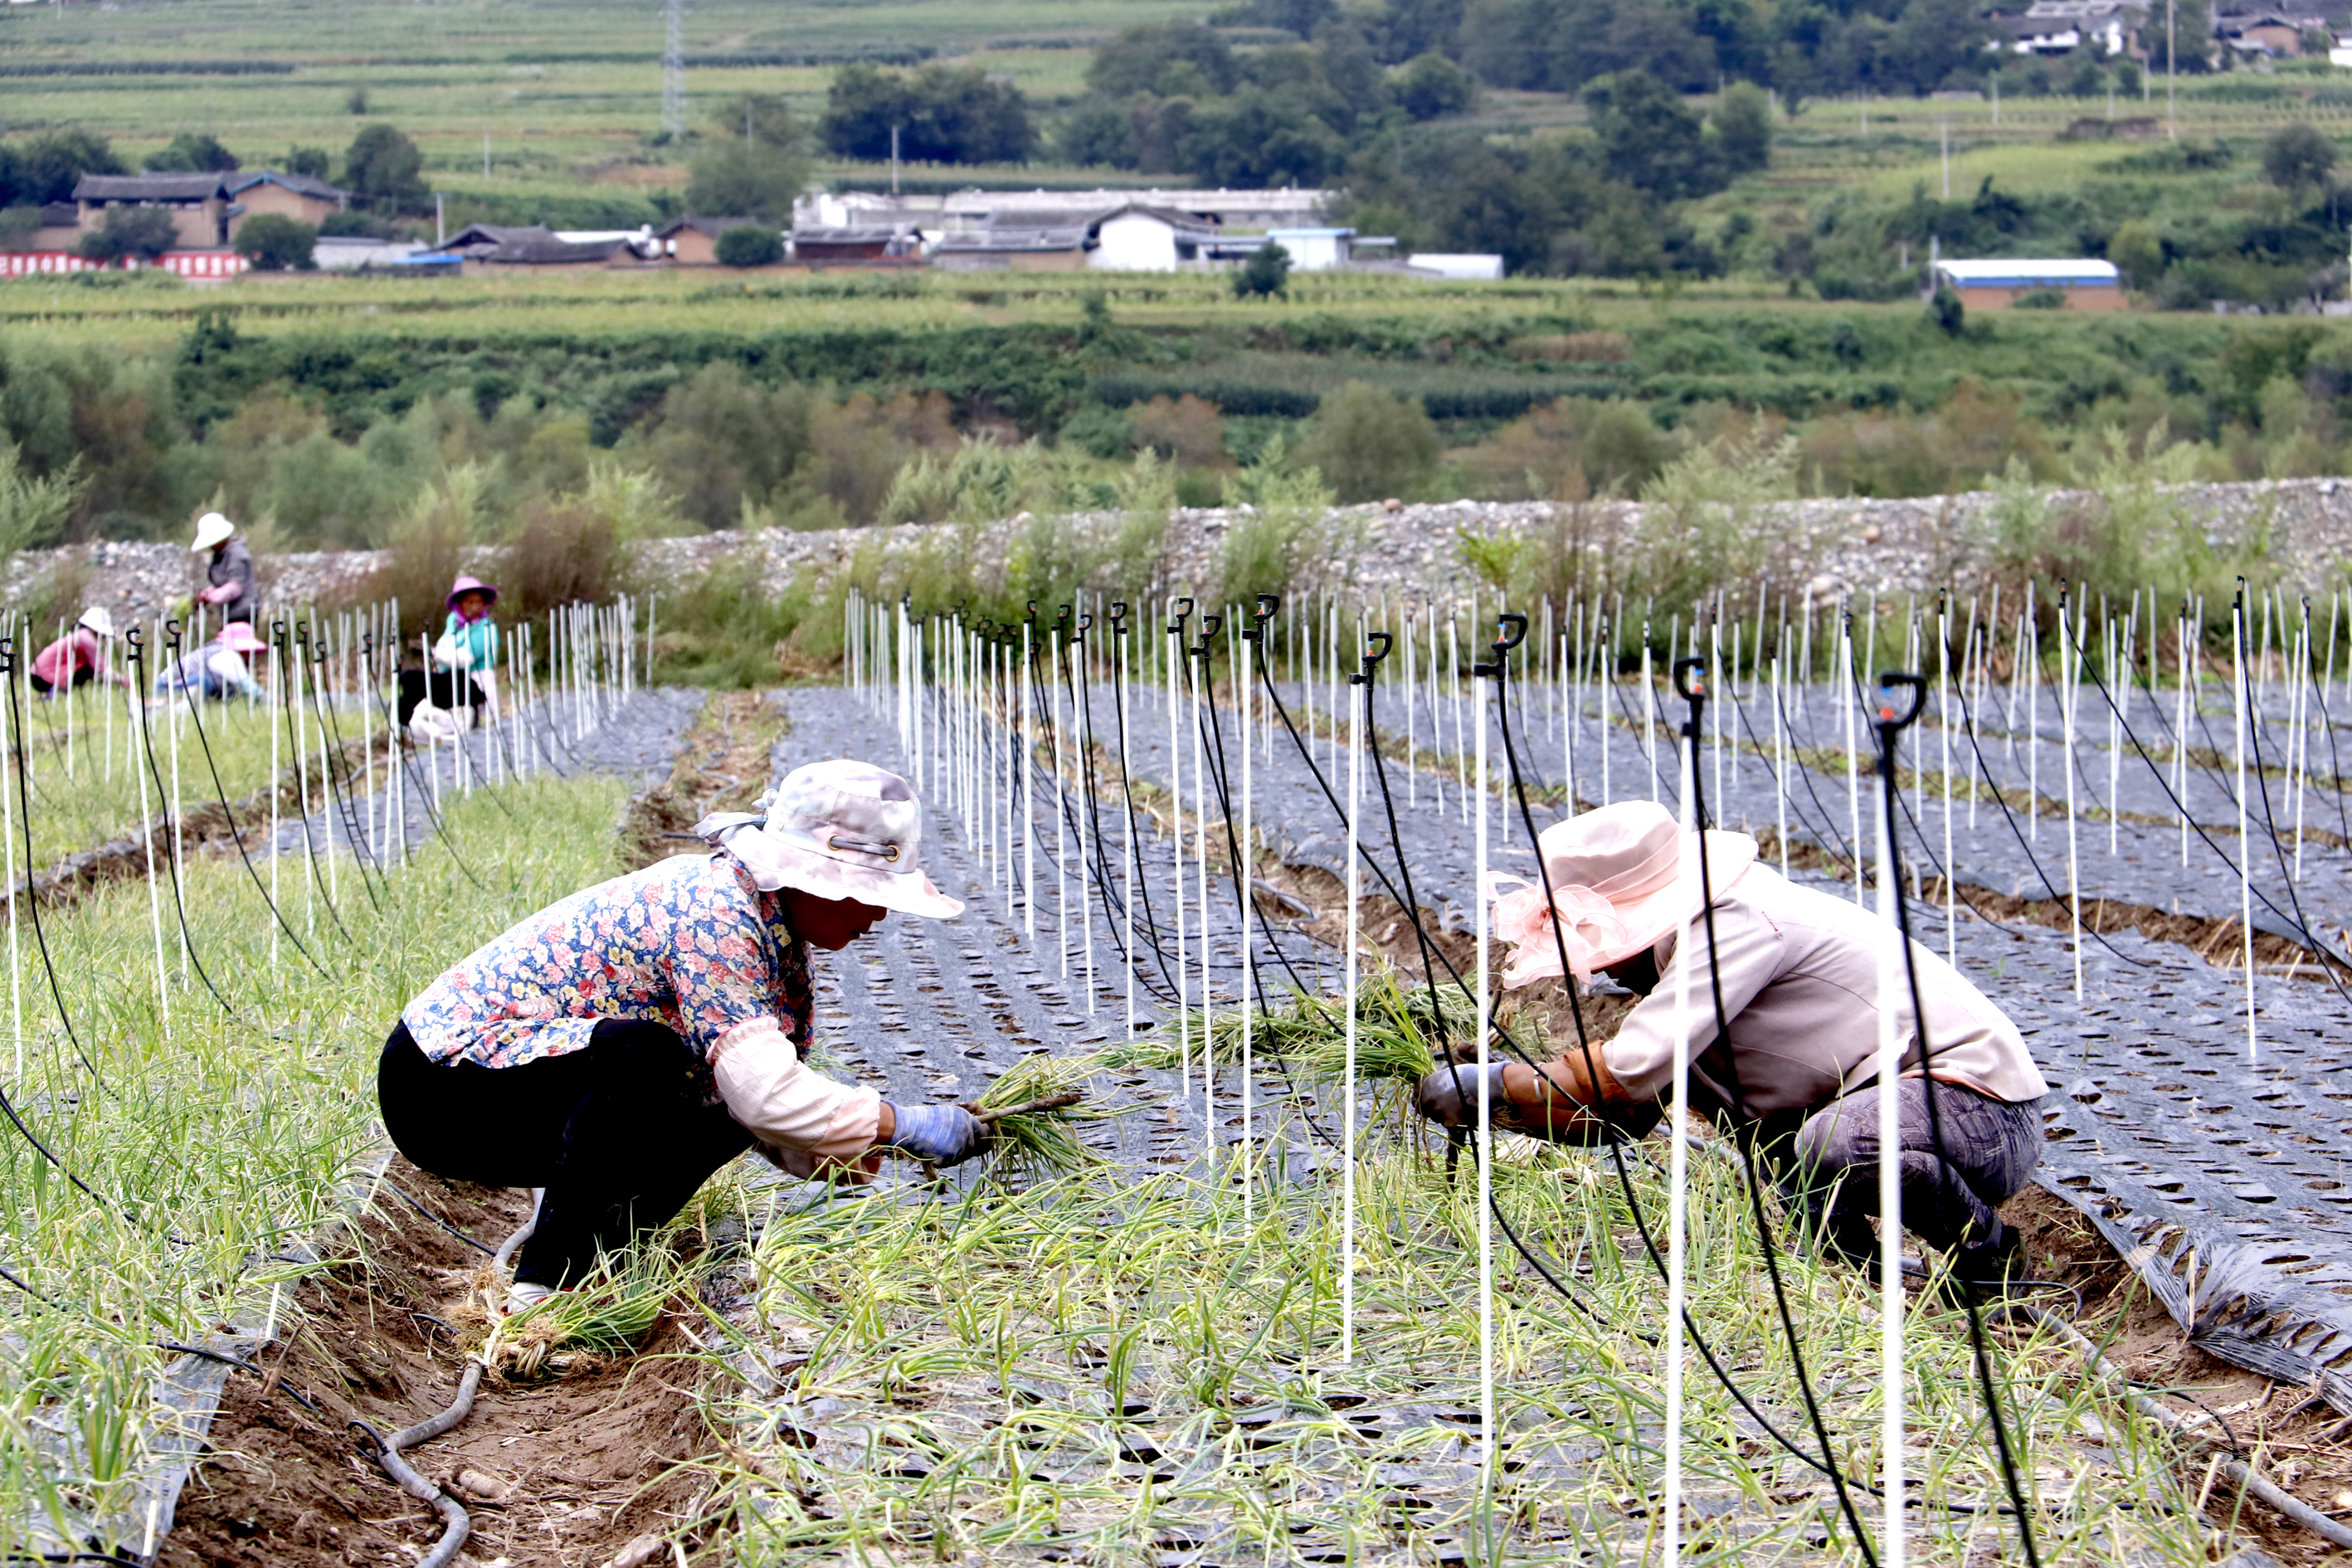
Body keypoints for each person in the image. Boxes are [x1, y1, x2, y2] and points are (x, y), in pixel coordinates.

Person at [379, 758, 989, 1312]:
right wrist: (899, 1123)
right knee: (640, 1055)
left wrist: (867, 1146)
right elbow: (768, 1094)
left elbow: (760, 1109)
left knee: (721, 1102)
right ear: (812, 878)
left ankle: (603, 1271)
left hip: (518, 1088)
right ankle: (542, 1292)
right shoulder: (716, 914)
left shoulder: (770, 933)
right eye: (864, 894)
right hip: (441, 1086)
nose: (877, 915)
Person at [1414, 801, 2049, 1286]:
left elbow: (1621, 1075)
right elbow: (1626, 1114)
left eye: (1608, 946)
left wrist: (1494, 1084)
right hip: (1909, 1111)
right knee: (1782, 1152)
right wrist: (1502, 1111)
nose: (1602, 970)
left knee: (1831, 1144)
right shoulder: (1685, 955)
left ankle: (1992, 1268)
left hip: (1979, 1114)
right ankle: (1863, 1288)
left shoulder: (1734, 921)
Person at [397, 574, 498, 730]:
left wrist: (432, 653)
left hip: (476, 682)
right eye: (470, 602)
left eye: (479, 601)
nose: (475, 606)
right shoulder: (453, 623)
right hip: (453, 681)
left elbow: (465, 658)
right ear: (460, 604)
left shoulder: (486, 628)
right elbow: (444, 645)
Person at [155, 621, 269, 703]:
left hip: (178, 684)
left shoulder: (217, 650)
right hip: (167, 687)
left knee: (228, 689)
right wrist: (269, 699)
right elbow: (245, 684)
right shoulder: (227, 655)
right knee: (205, 681)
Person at [30, 608, 128, 695]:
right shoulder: (86, 639)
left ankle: (59, 691)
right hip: (44, 678)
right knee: (89, 669)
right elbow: (102, 670)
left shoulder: (80, 635)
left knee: (87, 668)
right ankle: (57, 693)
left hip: (36, 674)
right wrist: (126, 682)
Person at [190, 511, 256, 626]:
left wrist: (208, 597)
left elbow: (235, 587)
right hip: (229, 612)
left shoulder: (237, 554)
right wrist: (206, 593)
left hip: (243, 613)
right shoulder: (221, 555)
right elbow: (220, 584)